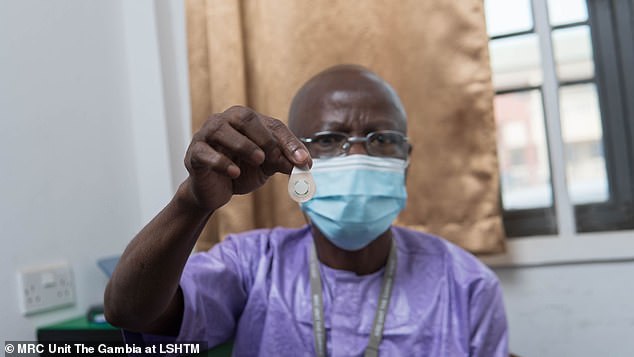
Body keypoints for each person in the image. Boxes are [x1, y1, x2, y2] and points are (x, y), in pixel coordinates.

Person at [104, 65, 508, 356]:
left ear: (406, 160)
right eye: (331, 139)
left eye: (382, 139)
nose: (359, 156)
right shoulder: (252, 264)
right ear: (293, 157)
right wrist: (192, 202)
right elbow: (131, 314)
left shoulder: (466, 285)